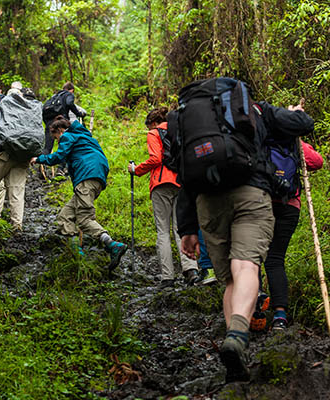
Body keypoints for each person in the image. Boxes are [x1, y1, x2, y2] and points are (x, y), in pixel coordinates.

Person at [177, 98, 314, 383]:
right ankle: (254, 326)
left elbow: (186, 172)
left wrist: (186, 226)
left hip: (211, 200)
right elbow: (309, 141)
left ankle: (235, 346)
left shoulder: (200, 126)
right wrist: (295, 115)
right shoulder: (259, 113)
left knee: (231, 278)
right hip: (261, 196)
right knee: (252, 265)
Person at [30, 116, 127, 271]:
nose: (57, 140)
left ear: (59, 131)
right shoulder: (85, 137)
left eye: (56, 138)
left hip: (86, 177)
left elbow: (58, 156)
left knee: (84, 219)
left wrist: (39, 159)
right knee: (65, 216)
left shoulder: (67, 136)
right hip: (97, 179)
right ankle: (77, 255)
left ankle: (112, 244)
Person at [128, 107, 210, 289]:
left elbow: (156, 159)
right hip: (181, 183)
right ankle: (191, 270)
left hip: (161, 183)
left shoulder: (154, 133)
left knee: (163, 230)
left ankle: (168, 277)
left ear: (153, 123)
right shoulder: (179, 131)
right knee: (181, 228)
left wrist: (136, 170)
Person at [260, 135, 323, 331]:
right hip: (290, 205)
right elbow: (317, 162)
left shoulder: (262, 138)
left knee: (252, 256)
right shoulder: (295, 142)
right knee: (275, 259)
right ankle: (280, 315)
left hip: (262, 203)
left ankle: (254, 306)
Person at [0, 88, 40, 231]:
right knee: (17, 191)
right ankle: (17, 225)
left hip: (5, 154)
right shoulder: (26, 113)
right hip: (23, 156)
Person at [42, 82, 86, 176]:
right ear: (72, 90)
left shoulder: (54, 96)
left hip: (50, 122)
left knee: (48, 147)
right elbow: (69, 103)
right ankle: (60, 170)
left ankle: (42, 170)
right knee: (65, 144)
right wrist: (78, 113)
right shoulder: (68, 95)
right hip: (61, 122)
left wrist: (48, 125)